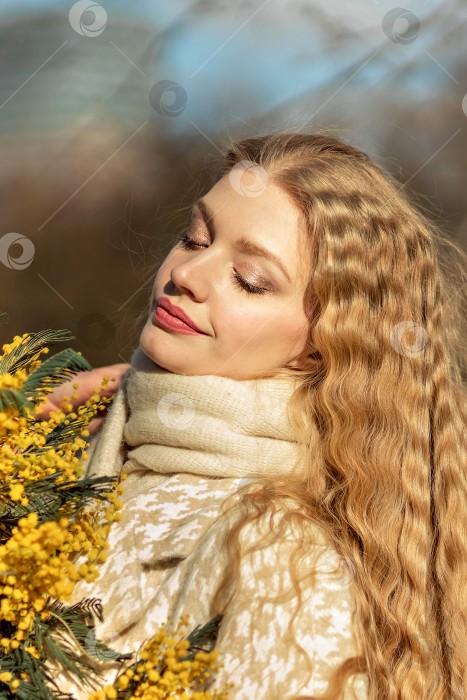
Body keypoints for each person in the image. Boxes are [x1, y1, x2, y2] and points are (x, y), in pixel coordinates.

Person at [42, 130, 466, 700]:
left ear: (323, 344)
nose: (185, 276)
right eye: (194, 239)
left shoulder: (281, 554)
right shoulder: (87, 447)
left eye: (251, 280)